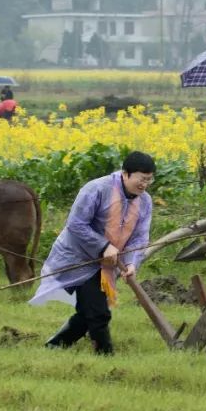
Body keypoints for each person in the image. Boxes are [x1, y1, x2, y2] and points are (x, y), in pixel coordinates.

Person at [32, 151, 156, 355]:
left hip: (108, 263)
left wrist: (133, 262)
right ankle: (105, 355)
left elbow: (140, 237)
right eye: (141, 179)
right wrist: (103, 246)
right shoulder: (97, 189)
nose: (144, 184)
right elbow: (76, 224)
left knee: (87, 312)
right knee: (98, 313)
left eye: (149, 180)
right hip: (78, 257)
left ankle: (54, 347)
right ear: (125, 174)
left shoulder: (145, 201)